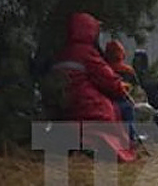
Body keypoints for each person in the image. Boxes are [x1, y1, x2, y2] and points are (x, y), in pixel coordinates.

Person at [52, 12, 137, 162]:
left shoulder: (62, 53)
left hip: (67, 108)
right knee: (124, 107)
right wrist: (121, 87)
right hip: (89, 107)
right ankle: (129, 144)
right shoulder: (88, 54)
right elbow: (109, 81)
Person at [103, 40, 138, 142]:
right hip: (124, 101)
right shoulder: (128, 71)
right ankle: (132, 139)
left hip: (106, 102)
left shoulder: (104, 69)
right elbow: (137, 90)